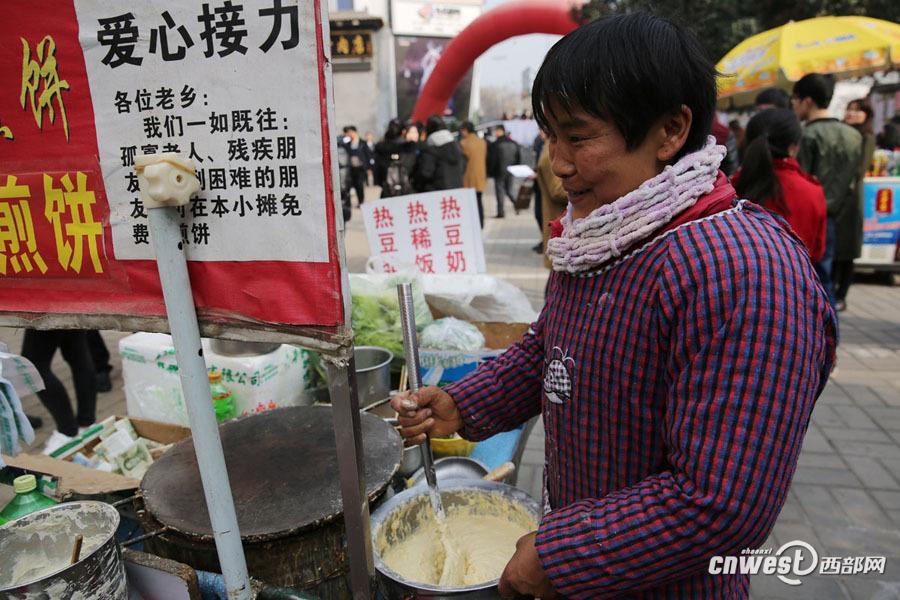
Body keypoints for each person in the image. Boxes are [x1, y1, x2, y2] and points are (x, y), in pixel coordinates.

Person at [392, 12, 835, 598]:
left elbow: (720, 501)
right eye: (551, 136)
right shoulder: (602, 235)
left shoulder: (745, 273)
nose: (558, 164)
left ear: (670, 131)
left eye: (578, 138)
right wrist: (461, 404)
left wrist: (559, 555)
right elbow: (549, 350)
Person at [792, 73, 863, 307]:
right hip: (838, 214)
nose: (794, 105)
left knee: (807, 278)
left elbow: (799, 181)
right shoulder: (854, 135)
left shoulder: (807, 135)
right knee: (826, 281)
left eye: (795, 100)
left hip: (809, 218)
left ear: (807, 101)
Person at [733, 108, 826, 263]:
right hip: (795, 275)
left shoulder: (730, 187)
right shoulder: (812, 192)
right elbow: (816, 252)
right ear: (793, 147)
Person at [21, 330, 97, 451]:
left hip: (44, 317)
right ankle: (86, 424)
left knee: (32, 366)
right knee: (77, 351)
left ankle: (68, 432)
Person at [837, 98, 877, 311]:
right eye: (849, 109)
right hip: (837, 194)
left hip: (852, 196)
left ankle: (841, 295)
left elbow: (860, 168)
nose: (852, 113)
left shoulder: (866, 137)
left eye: (857, 110)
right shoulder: (840, 133)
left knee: (848, 248)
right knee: (836, 246)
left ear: (866, 115)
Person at [412, 115, 465, 192]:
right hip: (457, 191)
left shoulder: (431, 149)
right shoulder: (457, 147)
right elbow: (464, 166)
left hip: (437, 192)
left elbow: (425, 173)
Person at [373, 119, 417, 198]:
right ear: (404, 132)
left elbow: (377, 171)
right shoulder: (409, 148)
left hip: (388, 190)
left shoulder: (380, 147)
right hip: (408, 191)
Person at [488, 125, 521, 217]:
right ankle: (517, 205)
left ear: (500, 131)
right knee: (509, 191)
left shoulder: (495, 144)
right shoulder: (514, 143)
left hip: (499, 171)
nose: (495, 133)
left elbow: (492, 160)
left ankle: (500, 212)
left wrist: (490, 172)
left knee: (500, 192)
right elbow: (518, 157)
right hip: (511, 171)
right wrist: (515, 168)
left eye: (496, 131)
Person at [459, 121, 487, 227]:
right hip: (480, 176)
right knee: (479, 201)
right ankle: (481, 223)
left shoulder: (463, 143)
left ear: (465, 130)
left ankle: (472, 224)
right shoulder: (482, 142)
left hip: (468, 177)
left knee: (469, 203)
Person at [339, 125, 372, 207]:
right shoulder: (348, 144)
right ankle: (348, 203)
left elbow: (368, 155)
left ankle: (361, 202)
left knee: (359, 186)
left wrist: (369, 168)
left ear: (355, 132)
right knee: (349, 185)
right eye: (348, 132)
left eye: (351, 132)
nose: (350, 134)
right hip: (351, 168)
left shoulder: (362, 143)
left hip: (360, 168)